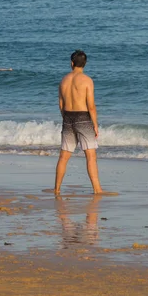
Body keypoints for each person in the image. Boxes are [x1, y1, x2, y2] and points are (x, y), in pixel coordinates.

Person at [54, 50, 104, 195]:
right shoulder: (87, 80)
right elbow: (91, 106)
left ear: (72, 63)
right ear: (85, 64)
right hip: (83, 118)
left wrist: (66, 119)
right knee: (90, 155)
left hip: (68, 117)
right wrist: (95, 124)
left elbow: (61, 105)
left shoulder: (63, 80)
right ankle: (97, 189)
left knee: (64, 156)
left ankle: (57, 189)